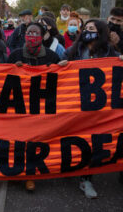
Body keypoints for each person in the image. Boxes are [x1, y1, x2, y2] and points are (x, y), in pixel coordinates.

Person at [63, 19, 121, 198]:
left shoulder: (110, 52)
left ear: (101, 32)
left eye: (92, 29)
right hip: (75, 104)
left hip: (98, 108)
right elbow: (60, 65)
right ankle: (69, 168)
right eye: (86, 28)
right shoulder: (74, 50)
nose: (88, 31)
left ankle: (86, 179)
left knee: (92, 142)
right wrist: (62, 65)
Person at [8, 22, 65, 192]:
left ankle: (30, 175)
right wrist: (13, 69)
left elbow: (62, 79)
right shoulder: (16, 55)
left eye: (35, 33)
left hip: (41, 106)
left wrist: (62, 67)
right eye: (29, 32)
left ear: (42, 37)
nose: (32, 36)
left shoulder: (52, 56)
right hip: (19, 105)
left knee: (35, 141)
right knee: (18, 140)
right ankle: (17, 170)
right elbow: (4, 76)